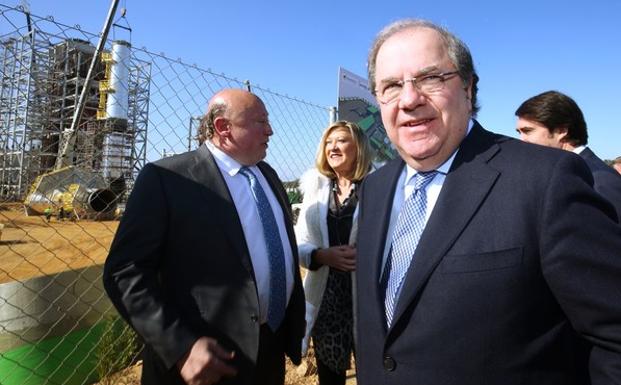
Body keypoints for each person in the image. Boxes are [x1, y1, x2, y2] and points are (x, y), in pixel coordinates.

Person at [355, 19, 621, 385]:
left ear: (468, 87)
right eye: (390, 86)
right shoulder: (374, 188)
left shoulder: (546, 180)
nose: (409, 99)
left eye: (430, 78)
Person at [103, 88, 305, 385]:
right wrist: (180, 344)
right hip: (206, 361)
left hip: (270, 349)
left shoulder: (268, 176)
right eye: (260, 122)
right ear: (224, 128)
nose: (270, 130)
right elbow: (124, 272)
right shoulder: (168, 179)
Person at [295, 120, 373, 385]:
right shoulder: (316, 187)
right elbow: (300, 241)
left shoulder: (378, 185)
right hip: (327, 298)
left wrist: (369, 256)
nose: (333, 147)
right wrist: (319, 256)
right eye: (328, 142)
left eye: (340, 140)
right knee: (330, 374)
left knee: (374, 371)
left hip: (368, 298)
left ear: (358, 147)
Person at [515, 90, 621, 217]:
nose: (522, 140)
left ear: (561, 131)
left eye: (528, 131)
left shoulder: (599, 180)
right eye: (519, 132)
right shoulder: (568, 174)